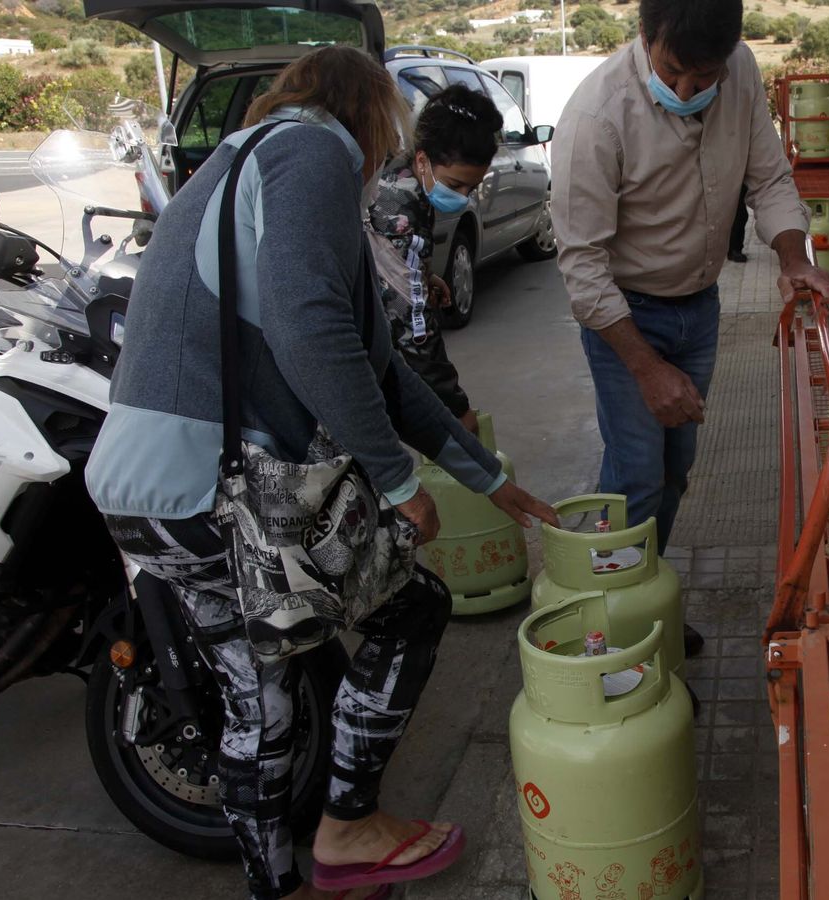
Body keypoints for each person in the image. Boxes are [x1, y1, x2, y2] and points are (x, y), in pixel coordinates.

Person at [86, 47, 556, 900]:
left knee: (257, 703)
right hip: (216, 484)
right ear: (370, 115)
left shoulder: (237, 164)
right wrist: (400, 486)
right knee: (411, 610)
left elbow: (379, 371)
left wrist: (486, 478)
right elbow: (311, 326)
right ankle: (347, 828)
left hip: (144, 492)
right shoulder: (310, 149)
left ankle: (283, 884)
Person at [551, 0, 829, 653]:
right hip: (624, 314)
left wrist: (794, 260)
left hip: (698, 305)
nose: (687, 90)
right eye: (674, 70)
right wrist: (646, 367)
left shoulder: (737, 74)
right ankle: (611, 635)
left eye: (702, 76)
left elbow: (769, 177)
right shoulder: (598, 116)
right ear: (645, 35)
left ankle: (640, 602)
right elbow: (582, 268)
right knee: (636, 474)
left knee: (675, 468)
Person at [367, 85, 508, 433]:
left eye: (471, 190)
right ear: (422, 160)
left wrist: (424, 275)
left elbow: (391, 267)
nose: (463, 198)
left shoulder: (400, 177)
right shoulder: (399, 209)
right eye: (456, 185)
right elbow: (414, 327)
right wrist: (454, 405)